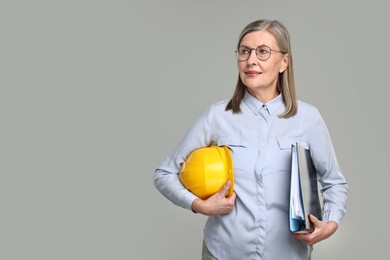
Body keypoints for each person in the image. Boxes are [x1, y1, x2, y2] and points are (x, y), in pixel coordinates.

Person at [153, 19, 348, 260]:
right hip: (222, 254)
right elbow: (164, 174)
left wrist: (330, 224)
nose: (251, 60)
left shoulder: (308, 119)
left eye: (263, 52)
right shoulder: (217, 116)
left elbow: (334, 183)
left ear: (284, 62)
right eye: (244, 51)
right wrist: (198, 205)